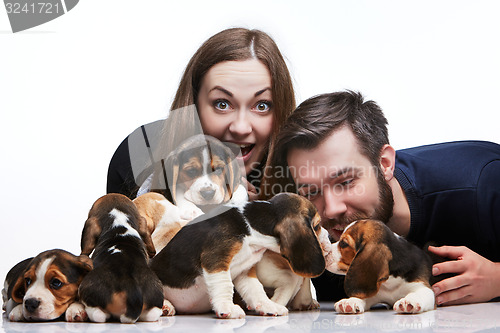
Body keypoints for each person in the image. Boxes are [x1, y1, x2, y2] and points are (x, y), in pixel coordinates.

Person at [260, 90, 500, 306]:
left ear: (384, 164)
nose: (331, 210)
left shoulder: (483, 185)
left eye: (345, 182)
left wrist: (497, 279)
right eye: (311, 192)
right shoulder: (320, 231)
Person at [106, 28, 296, 201]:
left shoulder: (302, 171)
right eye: (222, 104)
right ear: (194, 104)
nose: (240, 127)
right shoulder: (142, 151)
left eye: (262, 106)